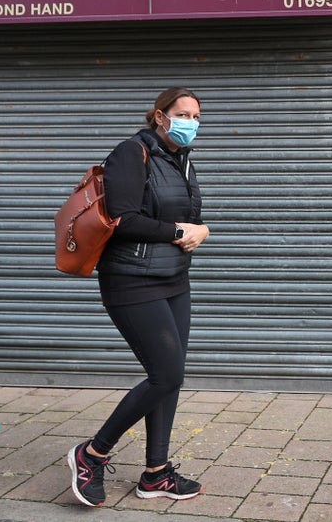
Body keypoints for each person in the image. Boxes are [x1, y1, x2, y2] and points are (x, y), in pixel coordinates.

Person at [66, 86, 210, 507]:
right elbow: (124, 219)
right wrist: (182, 232)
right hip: (132, 281)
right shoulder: (130, 153)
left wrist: (199, 230)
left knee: (170, 380)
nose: (191, 123)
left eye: (197, 116)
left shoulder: (181, 161)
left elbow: (189, 217)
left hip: (174, 280)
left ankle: (156, 473)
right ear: (160, 116)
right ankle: (91, 454)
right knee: (167, 374)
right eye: (183, 114)